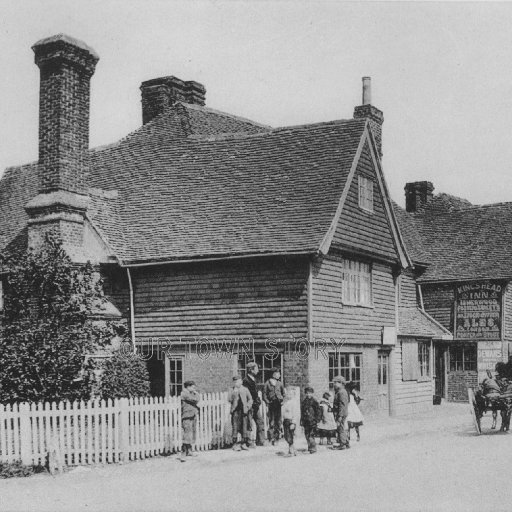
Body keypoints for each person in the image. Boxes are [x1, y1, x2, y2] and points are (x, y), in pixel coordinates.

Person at [243, 362, 265, 446]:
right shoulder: (246, 381)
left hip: (255, 405)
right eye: (256, 369)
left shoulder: (253, 379)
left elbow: (255, 393)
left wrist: (257, 400)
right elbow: (248, 395)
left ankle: (261, 441)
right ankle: (248, 442)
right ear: (251, 370)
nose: (258, 370)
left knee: (260, 422)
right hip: (250, 406)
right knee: (249, 424)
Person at [228, 374, 253, 451]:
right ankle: (235, 444)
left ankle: (243, 443)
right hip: (235, 411)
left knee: (244, 427)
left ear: (241, 382)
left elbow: (250, 399)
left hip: (244, 411)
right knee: (235, 427)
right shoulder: (231, 390)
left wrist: (248, 406)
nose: (237, 383)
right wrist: (234, 393)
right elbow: (229, 399)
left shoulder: (245, 389)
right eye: (235, 382)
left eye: (238, 381)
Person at [263, 368, 285, 445]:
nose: (279, 375)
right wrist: (267, 402)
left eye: (279, 374)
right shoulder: (267, 383)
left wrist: (282, 401)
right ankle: (271, 438)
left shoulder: (280, 383)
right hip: (271, 404)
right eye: (277, 374)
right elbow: (264, 394)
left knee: (278, 422)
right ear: (273, 374)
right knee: (271, 422)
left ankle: (277, 438)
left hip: (278, 404)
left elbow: (283, 394)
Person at [180, 380, 200, 460]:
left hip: (193, 414)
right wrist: (196, 394)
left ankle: (189, 450)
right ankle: (183, 453)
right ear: (188, 387)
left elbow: (197, 398)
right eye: (192, 387)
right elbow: (195, 399)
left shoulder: (191, 393)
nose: (194, 388)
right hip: (187, 415)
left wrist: (196, 394)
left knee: (192, 433)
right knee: (187, 433)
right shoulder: (184, 393)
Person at [300, 386, 321, 454]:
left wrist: (317, 420)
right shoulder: (304, 402)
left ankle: (313, 448)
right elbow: (302, 412)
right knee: (307, 434)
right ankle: (310, 446)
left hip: (312, 420)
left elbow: (318, 411)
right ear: (305, 393)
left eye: (310, 393)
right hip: (306, 421)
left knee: (311, 434)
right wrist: (301, 420)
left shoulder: (314, 401)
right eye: (307, 393)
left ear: (312, 393)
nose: (309, 394)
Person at [331, 375, 350, 450]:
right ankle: (346, 442)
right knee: (341, 427)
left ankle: (342, 444)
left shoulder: (341, 392)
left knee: (340, 428)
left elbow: (342, 405)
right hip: (340, 413)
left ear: (341, 383)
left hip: (341, 413)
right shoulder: (339, 391)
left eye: (336, 382)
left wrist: (340, 416)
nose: (334, 384)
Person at [281, 388, 300, 456]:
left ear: (294, 395)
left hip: (290, 421)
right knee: (286, 436)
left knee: (290, 436)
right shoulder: (285, 403)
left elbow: (295, 414)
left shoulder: (294, 403)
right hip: (285, 421)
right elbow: (283, 413)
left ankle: (291, 450)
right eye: (288, 394)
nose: (289, 395)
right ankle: (294, 450)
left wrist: (293, 423)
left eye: (291, 394)